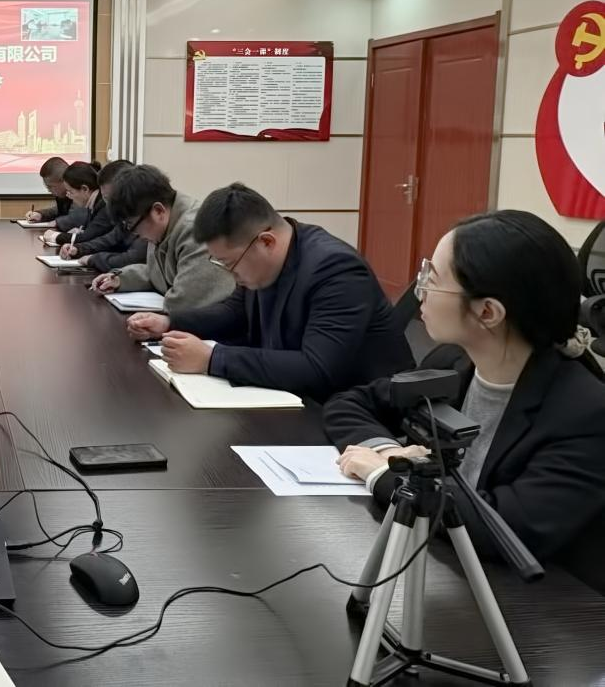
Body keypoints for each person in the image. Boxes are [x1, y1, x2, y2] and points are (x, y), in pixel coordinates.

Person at [325, 211, 605, 591]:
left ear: (487, 312)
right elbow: (350, 403)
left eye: (433, 278)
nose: (420, 289)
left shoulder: (585, 413)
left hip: (540, 603)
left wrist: (384, 475)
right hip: (448, 571)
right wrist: (389, 451)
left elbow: (505, 530)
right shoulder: (452, 364)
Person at [132, 183, 412, 403]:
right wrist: (170, 322)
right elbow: (234, 312)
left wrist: (212, 359)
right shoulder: (263, 263)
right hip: (297, 400)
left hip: (358, 412)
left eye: (230, 263)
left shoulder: (336, 270)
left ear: (266, 242)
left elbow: (317, 368)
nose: (229, 273)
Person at [89, 164, 232, 314]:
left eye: (131, 224)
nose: (134, 233)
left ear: (158, 211)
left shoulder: (196, 230)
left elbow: (187, 300)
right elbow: (158, 272)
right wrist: (120, 279)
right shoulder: (161, 225)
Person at [59, 159, 148, 270]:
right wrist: (78, 249)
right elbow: (109, 239)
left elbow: (133, 259)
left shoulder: (147, 217)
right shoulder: (125, 216)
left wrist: (93, 259)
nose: (108, 205)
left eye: (112, 199)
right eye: (106, 199)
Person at [44, 160, 102, 248]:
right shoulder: (95, 203)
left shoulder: (103, 206)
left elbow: (91, 237)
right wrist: (82, 232)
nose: (68, 196)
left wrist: (55, 236)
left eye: (70, 192)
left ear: (85, 189)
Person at [24, 157, 84, 231]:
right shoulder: (63, 195)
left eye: (50, 186)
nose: (49, 190)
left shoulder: (79, 193)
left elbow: (76, 218)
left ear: (64, 181)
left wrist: (58, 222)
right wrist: (40, 214)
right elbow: (58, 210)